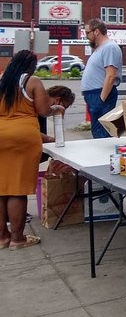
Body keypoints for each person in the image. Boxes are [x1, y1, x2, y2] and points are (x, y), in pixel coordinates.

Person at [1, 50, 63, 249]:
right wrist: (56, 108)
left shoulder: (2, 80)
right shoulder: (32, 81)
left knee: (1, 189)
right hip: (23, 138)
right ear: (30, 66)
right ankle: (17, 239)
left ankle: (2, 237)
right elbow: (43, 111)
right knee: (17, 190)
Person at [80, 19, 122, 139]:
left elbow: (110, 75)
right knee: (97, 131)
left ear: (97, 31)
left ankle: (103, 157)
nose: (86, 36)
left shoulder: (110, 47)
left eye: (88, 32)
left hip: (100, 93)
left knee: (102, 133)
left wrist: (101, 99)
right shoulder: (101, 48)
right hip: (94, 94)